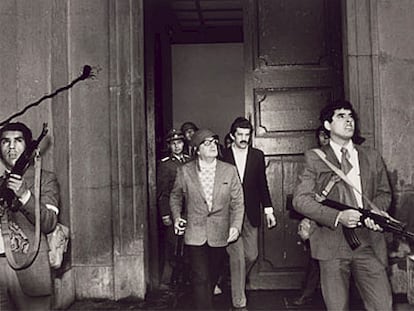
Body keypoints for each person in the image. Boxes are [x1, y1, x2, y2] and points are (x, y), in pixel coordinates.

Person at [293, 100, 393, 310]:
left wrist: (375, 214)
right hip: (332, 243)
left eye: (350, 116)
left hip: (368, 242)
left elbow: (384, 193)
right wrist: (338, 217)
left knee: (383, 305)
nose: (348, 120)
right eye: (340, 116)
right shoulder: (315, 158)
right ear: (328, 126)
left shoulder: (371, 156)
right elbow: (300, 200)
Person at [170, 128, 245, 309]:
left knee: (211, 276)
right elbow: (175, 196)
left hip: (220, 233)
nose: (212, 145)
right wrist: (177, 217)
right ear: (197, 149)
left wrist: (235, 226)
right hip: (195, 232)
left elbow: (238, 202)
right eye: (206, 143)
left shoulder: (229, 170)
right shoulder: (185, 171)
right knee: (200, 277)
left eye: (213, 141)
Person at [0, 122, 60, 310]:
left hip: (28, 266)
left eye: (18, 140)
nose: (11, 147)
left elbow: (49, 222)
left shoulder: (45, 179)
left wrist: (24, 195)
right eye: (5, 142)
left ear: (28, 146)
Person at [222, 117, 277, 310]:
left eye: (247, 135)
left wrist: (269, 210)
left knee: (252, 255)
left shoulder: (257, 155)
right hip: (229, 214)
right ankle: (239, 302)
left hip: (252, 212)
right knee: (237, 259)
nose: (244, 138)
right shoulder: (223, 155)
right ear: (232, 136)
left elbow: (263, 184)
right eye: (240, 135)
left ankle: (229, 277)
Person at [292, 125, 329, 306]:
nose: (324, 139)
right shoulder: (315, 159)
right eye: (321, 135)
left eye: (326, 136)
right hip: (319, 215)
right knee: (315, 259)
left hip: (342, 216)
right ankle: (306, 294)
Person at [157, 129, 191, 290]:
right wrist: (165, 214)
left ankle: (185, 278)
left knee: (187, 245)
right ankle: (168, 280)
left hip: (188, 209)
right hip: (173, 209)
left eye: (180, 142)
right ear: (169, 145)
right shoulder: (165, 164)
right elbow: (163, 192)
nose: (177, 146)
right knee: (172, 244)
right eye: (173, 143)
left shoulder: (189, 160)